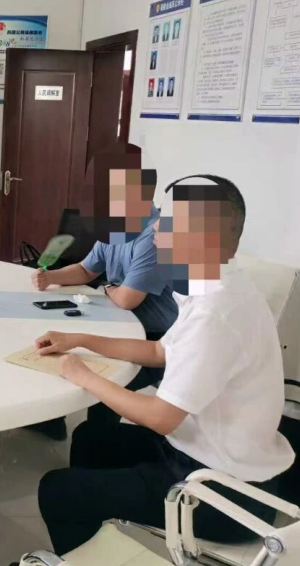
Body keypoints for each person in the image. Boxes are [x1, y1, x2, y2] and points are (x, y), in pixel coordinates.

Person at [35, 176, 294, 555]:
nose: (155, 227)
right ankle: (96, 543)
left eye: (167, 220)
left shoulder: (215, 312)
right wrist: (81, 340)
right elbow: (159, 351)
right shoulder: (213, 286)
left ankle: (91, 541)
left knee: (57, 490)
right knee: (92, 439)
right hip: (198, 451)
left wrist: (83, 374)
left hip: (222, 493)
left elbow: (160, 417)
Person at [30, 166, 178, 438]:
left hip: (155, 336)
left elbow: (127, 299)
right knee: (58, 341)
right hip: (118, 320)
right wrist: (50, 277)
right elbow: (86, 270)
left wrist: (107, 288)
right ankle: (50, 418)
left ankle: (100, 440)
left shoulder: (153, 236)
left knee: (106, 375)